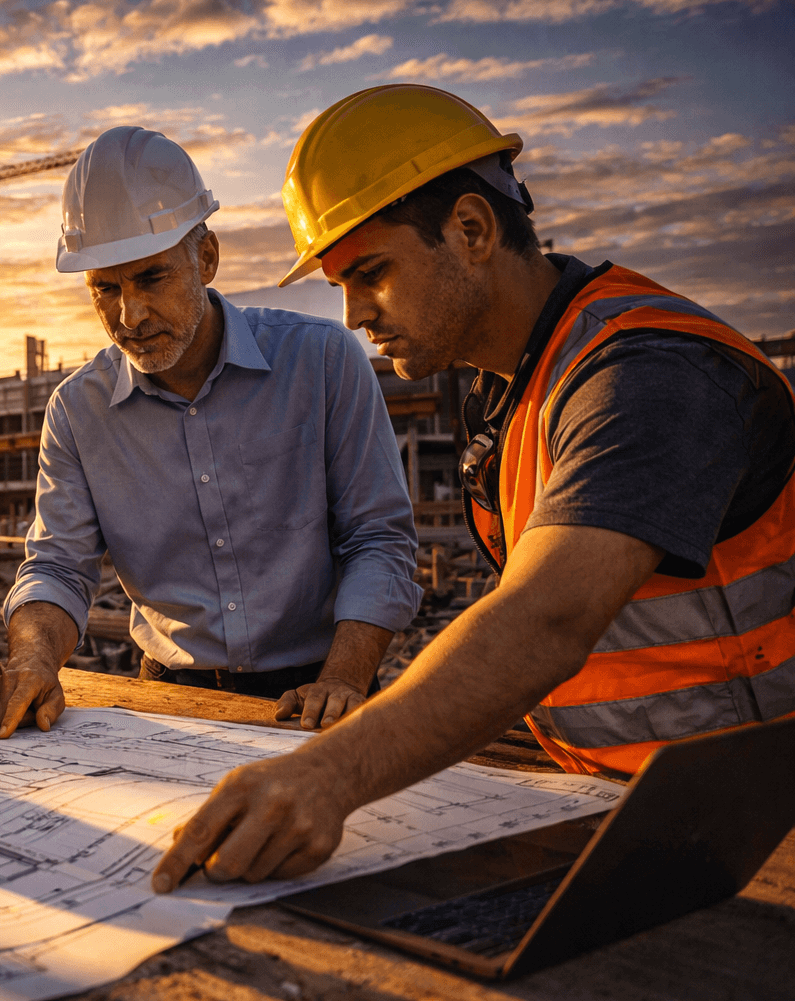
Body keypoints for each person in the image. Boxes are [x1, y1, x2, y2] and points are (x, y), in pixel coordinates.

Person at [151, 83, 795, 894]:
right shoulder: (513, 388)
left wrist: (330, 774)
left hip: (757, 835)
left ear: (472, 230)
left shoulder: (649, 376)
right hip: (626, 803)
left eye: (371, 273)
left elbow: (547, 617)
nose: (353, 315)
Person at [0, 126, 421, 739]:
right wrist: (32, 657)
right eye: (105, 288)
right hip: (170, 698)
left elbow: (377, 537)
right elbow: (58, 566)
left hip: (323, 687)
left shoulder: (322, 362)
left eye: (151, 279)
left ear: (207, 259)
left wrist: (345, 677)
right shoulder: (78, 412)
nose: (129, 316)